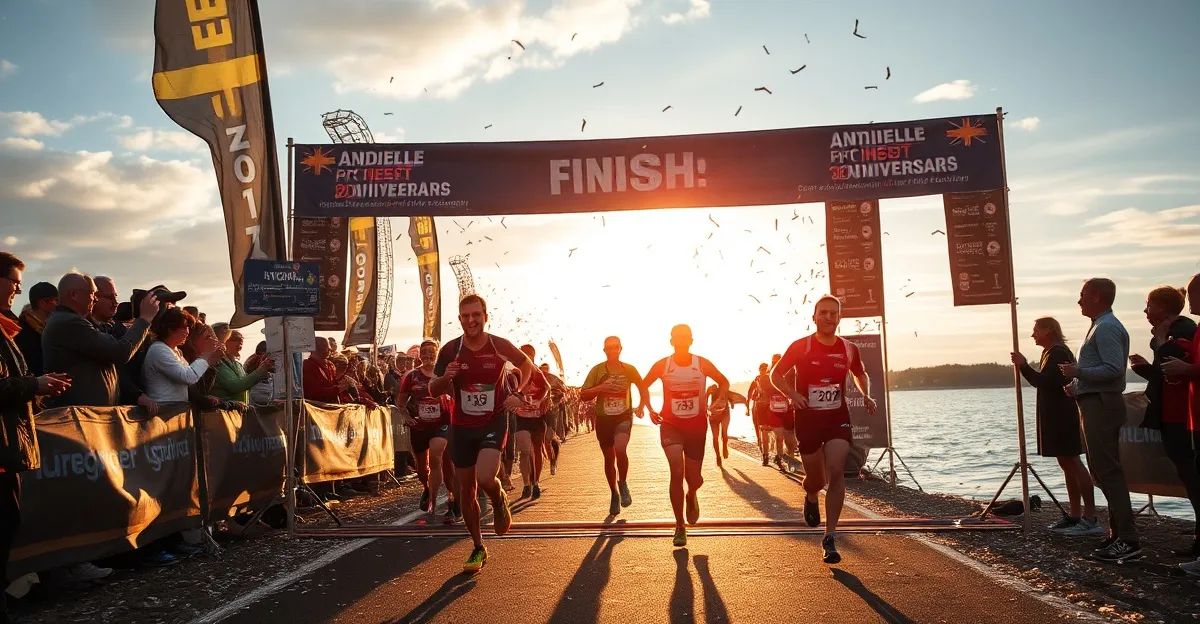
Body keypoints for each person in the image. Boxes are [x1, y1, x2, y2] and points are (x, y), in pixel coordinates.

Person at [429, 295, 540, 573]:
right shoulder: (450, 350)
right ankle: (478, 546)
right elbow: (433, 389)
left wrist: (517, 393)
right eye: (466, 316)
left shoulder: (498, 345)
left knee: (485, 477)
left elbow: (526, 365)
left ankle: (498, 495)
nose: (471, 320)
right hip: (461, 426)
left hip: (493, 421)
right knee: (466, 490)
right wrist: (446, 377)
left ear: (485, 316)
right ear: (460, 319)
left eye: (476, 315)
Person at [772, 295, 876, 564]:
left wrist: (866, 395)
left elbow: (859, 373)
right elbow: (775, 374)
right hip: (808, 419)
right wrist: (792, 395)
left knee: (836, 471)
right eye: (824, 313)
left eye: (833, 313)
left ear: (839, 318)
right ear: (814, 317)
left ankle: (830, 536)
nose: (829, 317)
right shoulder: (801, 346)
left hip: (836, 418)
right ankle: (810, 494)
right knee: (816, 480)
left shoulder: (849, 349)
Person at [0, 252, 71, 622]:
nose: (17, 289)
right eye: (13, 282)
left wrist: (41, 389)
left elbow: (14, 384)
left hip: (8, 448)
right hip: (1, 449)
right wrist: (35, 384)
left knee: (8, 525)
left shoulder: (6, 329)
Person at [1060, 278, 1138, 562]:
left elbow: (1115, 369)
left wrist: (1078, 372)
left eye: (1082, 295)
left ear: (1096, 296)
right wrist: (1077, 386)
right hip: (1094, 401)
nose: (1078, 300)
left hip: (1102, 404)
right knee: (1101, 471)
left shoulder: (1106, 327)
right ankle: (1118, 534)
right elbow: (1104, 370)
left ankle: (1128, 539)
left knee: (1108, 471)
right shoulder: (1100, 325)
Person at [640, 324, 730, 547]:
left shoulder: (701, 363)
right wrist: (648, 408)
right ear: (671, 341)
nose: (681, 340)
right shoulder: (662, 365)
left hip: (696, 427)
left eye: (685, 337)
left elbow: (723, 381)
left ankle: (691, 494)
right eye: (677, 337)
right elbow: (643, 385)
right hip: (670, 424)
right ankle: (679, 526)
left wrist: (720, 400)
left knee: (694, 479)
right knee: (676, 471)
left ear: (691, 340)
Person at [1012, 317, 1100, 535]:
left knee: (1073, 462)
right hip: (1057, 415)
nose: (1033, 335)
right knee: (1066, 463)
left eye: (1036, 330)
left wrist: (1023, 366)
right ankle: (1075, 514)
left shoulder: (1058, 352)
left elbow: (1045, 381)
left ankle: (1090, 517)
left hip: (1064, 416)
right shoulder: (1050, 352)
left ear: (1048, 330)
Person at [1132, 285, 1200, 556]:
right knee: (1187, 474)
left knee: (1192, 476)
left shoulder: (1183, 329)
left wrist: (1160, 341)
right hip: (1175, 413)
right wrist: (1146, 370)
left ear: (1162, 307)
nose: (1145, 311)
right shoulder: (1174, 331)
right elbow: (1168, 375)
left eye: (1149, 305)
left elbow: (1178, 364)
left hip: (1183, 415)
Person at [42, 274, 158, 408]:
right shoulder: (70, 323)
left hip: (87, 413)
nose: (95, 299)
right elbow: (120, 352)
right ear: (74, 294)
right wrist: (144, 320)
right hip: (81, 415)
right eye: (92, 293)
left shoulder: (69, 321)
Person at [579, 336, 647, 516]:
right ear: (604, 350)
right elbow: (584, 394)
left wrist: (641, 406)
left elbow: (643, 387)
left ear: (620, 349)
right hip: (604, 419)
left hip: (623, 416)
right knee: (609, 458)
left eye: (615, 347)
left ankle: (622, 483)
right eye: (609, 348)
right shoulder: (597, 370)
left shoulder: (629, 369)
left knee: (621, 448)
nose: (612, 350)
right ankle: (614, 494)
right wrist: (601, 387)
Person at [1162, 274, 1200, 575]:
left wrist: (1185, 368)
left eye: (1192, 293)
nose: (1188, 299)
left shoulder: (1189, 327)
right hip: (1192, 415)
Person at [397, 340, 457, 523]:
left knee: (437, 458)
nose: (428, 355)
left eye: (432, 352)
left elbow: (458, 397)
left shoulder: (445, 374)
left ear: (437, 354)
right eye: (424, 352)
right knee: (422, 468)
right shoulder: (411, 376)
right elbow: (401, 402)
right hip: (420, 426)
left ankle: (438, 502)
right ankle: (427, 487)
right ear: (420, 355)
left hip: (442, 423)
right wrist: (407, 417)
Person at [142, 309, 223, 404]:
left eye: (188, 328)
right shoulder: (159, 350)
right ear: (170, 330)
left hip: (173, 408)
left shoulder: (175, 350)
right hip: (163, 408)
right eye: (184, 328)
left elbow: (191, 383)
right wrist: (206, 354)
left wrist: (211, 359)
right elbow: (188, 377)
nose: (187, 332)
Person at [513, 345, 551, 500]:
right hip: (521, 416)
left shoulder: (537, 372)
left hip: (536, 416)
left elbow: (547, 387)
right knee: (524, 450)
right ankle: (526, 484)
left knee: (536, 449)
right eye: (523, 353)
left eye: (529, 354)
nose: (526, 356)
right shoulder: (515, 373)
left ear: (534, 356)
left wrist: (545, 400)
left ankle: (535, 482)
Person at [210, 324, 274, 404]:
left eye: (241, 340)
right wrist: (260, 371)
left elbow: (246, 385)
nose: (240, 342)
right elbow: (235, 387)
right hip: (224, 409)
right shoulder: (217, 363)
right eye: (235, 339)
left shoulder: (237, 365)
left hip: (239, 409)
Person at [14, 282, 57, 376]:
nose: (58, 305)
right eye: (56, 300)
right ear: (43, 303)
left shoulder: (44, 329)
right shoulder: (23, 332)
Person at [747, 363, 773, 466]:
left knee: (764, 430)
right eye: (762, 369)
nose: (763, 371)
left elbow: (750, 394)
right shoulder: (757, 380)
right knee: (761, 429)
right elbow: (750, 393)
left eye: (765, 369)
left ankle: (766, 452)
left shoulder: (769, 378)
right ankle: (763, 451)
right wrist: (747, 408)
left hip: (765, 406)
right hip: (759, 407)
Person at [705, 383, 732, 468]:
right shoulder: (719, 388)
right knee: (720, 434)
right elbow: (705, 399)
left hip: (720, 413)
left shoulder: (718, 388)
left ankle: (721, 451)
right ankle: (720, 453)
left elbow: (705, 401)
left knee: (719, 435)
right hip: (718, 414)